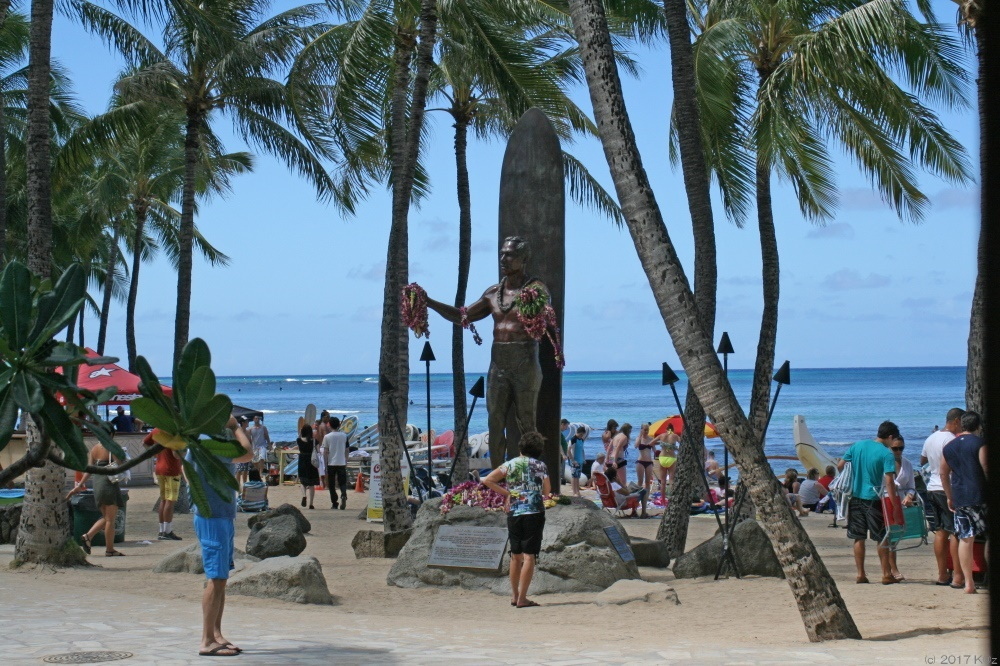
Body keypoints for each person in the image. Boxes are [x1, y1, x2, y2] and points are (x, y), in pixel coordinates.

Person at [425, 237, 550, 465]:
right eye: (502, 254)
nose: (504, 259)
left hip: (525, 363)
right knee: (494, 422)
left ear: (524, 259)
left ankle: (531, 474)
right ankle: (498, 477)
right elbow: (463, 316)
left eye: (510, 254)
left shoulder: (534, 290)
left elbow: (543, 312)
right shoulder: (493, 293)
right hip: (498, 364)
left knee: (527, 422)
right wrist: (429, 302)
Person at [189, 415, 254, 657]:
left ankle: (216, 634)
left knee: (222, 578)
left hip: (221, 513)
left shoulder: (205, 439)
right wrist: (236, 426)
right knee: (215, 578)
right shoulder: (208, 442)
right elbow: (248, 453)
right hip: (212, 515)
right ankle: (206, 640)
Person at [482, 431, 550, 609]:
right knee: (529, 556)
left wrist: (509, 494)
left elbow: (488, 480)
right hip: (534, 512)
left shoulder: (510, 464)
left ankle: (514, 595)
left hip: (514, 511)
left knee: (515, 554)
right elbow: (547, 491)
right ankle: (523, 598)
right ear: (538, 450)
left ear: (521, 446)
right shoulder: (541, 466)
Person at [837, 420, 900, 585]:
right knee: (881, 537)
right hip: (873, 497)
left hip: (855, 496)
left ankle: (861, 574)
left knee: (858, 538)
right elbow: (889, 481)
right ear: (891, 437)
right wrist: (893, 504)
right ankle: (886, 574)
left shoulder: (858, 445)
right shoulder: (886, 454)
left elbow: (840, 465)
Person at [940, 411, 987, 594]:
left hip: (960, 496)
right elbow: (985, 467)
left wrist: (949, 495)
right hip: (980, 495)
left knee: (965, 538)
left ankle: (968, 583)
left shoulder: (949, 447)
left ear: (961, 425)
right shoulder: (980, 443)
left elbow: (944, 473)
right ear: (978, 426)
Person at [920, 407, 964, 586]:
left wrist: (934, 460)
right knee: (955, 532)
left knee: (940, 531)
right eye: (961, 423)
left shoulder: (931, 438)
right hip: (947, 488)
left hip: (932, 487)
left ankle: (942, 574)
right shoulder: (952, 439)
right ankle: (958, 574)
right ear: (956, 421)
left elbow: (922, 460)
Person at [66, 439, 127, 556]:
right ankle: (109, 549)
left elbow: (89, 469)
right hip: (109, 483)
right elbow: (119, 463)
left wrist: (80, 485)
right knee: (110, 519)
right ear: (111, 434)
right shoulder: (112, 447)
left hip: (97, 483)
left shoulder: (94, 449)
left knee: (106, 517)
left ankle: (88, 536)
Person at [885, 435, 916, 581]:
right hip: (887, 500)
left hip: (901, 501)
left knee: (895, 536)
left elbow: (912, 487)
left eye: (901, 448)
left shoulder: (907, 464)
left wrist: (909, 496)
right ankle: (892, 569)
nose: (898, 451)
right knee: (890, 536)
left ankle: (891, 569)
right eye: (895, 448)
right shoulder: (884, 463)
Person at [143, 430, 183, 540]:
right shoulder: (173, 432)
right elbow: (176, 454)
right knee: (170, 500)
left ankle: (162, 530)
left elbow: (145, 443)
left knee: (164, 499)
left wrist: (156, 454)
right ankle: (168, 531)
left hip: (159, 467)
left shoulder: (156, 430)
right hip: (172, 469)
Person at [323, 417, 349, 510]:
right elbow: (346, 450)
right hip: (341, 462)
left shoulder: (327, 437)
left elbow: (325, 451)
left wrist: (325, 464)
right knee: (342, 481)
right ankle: (343, 494)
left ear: (330, 425)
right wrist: (346, 459)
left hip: (331, 463)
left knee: (331, 484)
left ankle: (334, 503)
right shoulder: (344, 436)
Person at [634, 423, 655, 517]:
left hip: (649, 462)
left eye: (647, 430)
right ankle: (634, 507)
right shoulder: (639, 438)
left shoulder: (651, 438)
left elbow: (655, 451)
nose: (646, 432)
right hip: (640, 462)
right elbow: (635, 445)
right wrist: (640, 435)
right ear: (641, 429)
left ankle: (644, 509)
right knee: (639, 483)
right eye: (644, 430)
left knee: (647, 483)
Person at [296, 424, 319, 509]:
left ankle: (304, 495)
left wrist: (300, 431)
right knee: (312, 484)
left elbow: (299, 441)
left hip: (302, 460)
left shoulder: (299, 440)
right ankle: (311, 504)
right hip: (311, 461)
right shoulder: (314, 441)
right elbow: (318, 450)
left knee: (302, 481)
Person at [608, 423, 631, 488]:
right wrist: (615, 461)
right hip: (618, 459)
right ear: (628, 430)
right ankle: (623, 495)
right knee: (622, 480)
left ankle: (614, 494)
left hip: (611, 458)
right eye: (630, 430)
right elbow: (618, 448)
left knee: (613, 479)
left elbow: (609, 448)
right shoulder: (624, 437)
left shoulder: (616, 436)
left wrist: (607, 459)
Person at [567, 426, 587, 497]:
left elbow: (582, 450)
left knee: (578, 477)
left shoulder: (581, 440)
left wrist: (584, 459)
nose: (581, 436)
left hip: (580, 460)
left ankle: (578, 492)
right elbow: (569, 450)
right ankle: (574, 492)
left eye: (583, 435)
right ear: (578, 433)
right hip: (574, 461)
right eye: (581, 434)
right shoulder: (573, 439)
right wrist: (572, 460)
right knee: (574, 476)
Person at [233, 417, 253, 491]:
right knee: (239, 470)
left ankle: (245, 484)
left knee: (245, 470)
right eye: (247, 421)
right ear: (243, 423)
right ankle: (238, 485)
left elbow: (250, 442)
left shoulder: (248, 432)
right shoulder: (239, 432)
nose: (248, 423)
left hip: (247, 454)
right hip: (240, 453)